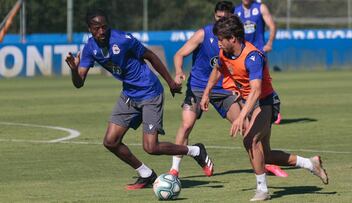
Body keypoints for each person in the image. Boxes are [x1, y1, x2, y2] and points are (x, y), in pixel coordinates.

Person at [65, 9, 213, 190]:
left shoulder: (122, 39)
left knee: (151, 147)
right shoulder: (89, 48)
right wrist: (74, 69)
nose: (101, 31)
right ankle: (146, 174)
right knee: (110, 141)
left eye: (104, 27)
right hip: (129, 94)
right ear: (90, 29)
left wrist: (170, 82)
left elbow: (150, 56)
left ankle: (195, 151)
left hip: (150, 92)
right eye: (97, 28)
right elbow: (79, 83)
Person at [200, 15, 328, 201]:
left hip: (266, 102)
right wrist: (206, 93)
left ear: (232, 39)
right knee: (265, 155)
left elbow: (256, 91)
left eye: (221, 39)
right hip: (252, 102)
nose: (218, 43)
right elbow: (217, 70)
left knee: (250, 141)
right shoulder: (224, 53)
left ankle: (262, 190)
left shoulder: (253, 57)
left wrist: (241, 116)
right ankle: (310, 164)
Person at [168, 1, 239, 178]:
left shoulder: (235, 38)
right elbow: (179, 54)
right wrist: (178, 71)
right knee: (186, 125)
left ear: (232, 17)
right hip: (198, 88)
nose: (220, 21)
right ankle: (174, 170)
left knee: (244, 125)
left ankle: (264, 164)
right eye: (218, 17)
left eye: (224, 18)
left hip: (223, 89)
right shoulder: (203, 33)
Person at [235, 0, 286, 177]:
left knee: (262, 85)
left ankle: (272, 108)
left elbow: (272, 25)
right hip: (241, 56)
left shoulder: (260, 7)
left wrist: (270, 42)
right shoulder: (237, 11)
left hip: (257, 54)